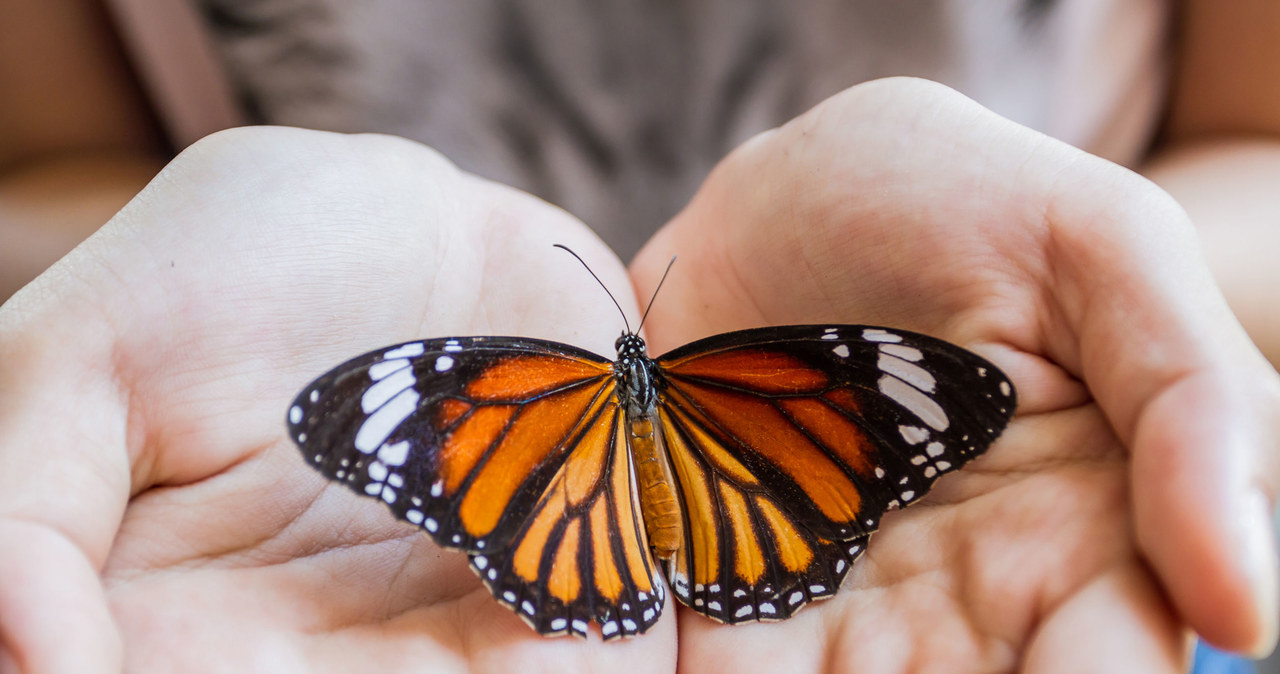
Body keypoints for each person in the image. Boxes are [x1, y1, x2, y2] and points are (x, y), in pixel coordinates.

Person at [0, 2, 1278, 672]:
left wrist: (1104, 272)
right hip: (738, 497)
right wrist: (149, 269)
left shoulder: (517, 389)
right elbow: (48, 172)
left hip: (1074, 484)